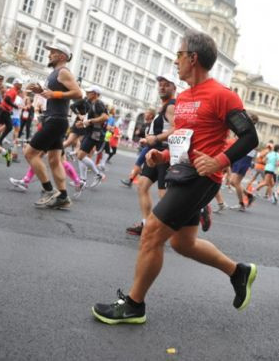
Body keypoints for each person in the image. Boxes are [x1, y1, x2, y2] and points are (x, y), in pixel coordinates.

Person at [92, 30, 259, 324]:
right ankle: (238, 271)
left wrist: (219, 161)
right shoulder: (183, 98)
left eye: (179, 55)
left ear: (192, 58)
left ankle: (133, 304)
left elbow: (249, 137)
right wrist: (164, 156)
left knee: (152, 232)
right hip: (183, 172)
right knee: (183, 243)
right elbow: (186, 141)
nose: (175, 60)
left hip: (202, 178)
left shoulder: (223, 95)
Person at [24, 43, 82, 209]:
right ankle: (63, 197)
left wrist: (54, 93)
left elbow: (78, 93)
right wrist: (40, 91)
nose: (49, 55)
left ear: (62, 56)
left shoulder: (63, 72)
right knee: (55, 160)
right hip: (56, 119)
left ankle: (49, 190)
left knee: (29, 153)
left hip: (56, 120)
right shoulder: (55, 73)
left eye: (53, 53)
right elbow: (54, 97)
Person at [125, 73, 176, 236]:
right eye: (160, 83)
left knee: (163, 194)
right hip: (154, 152)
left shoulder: (172, 106)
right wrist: (149, 140)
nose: (162, 86)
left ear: (174, 88)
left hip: (164, 154)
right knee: (142, 186)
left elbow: (177, 128)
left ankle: (183, 220)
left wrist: (156, 138)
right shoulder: (163, 106)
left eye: (166, 84)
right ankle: (147, 224)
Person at [74, 85, 108, 188]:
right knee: (80, 156)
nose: (87, 93)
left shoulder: (98, 103)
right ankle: (83, 180)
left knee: (80, 156)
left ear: (94, 94)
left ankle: (97, 175)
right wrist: (82, 123)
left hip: (95, 135)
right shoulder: (92, 103)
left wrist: (90, 121)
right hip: (90, 133)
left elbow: (105, 117)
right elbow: (90, 119)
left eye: (89, 92)